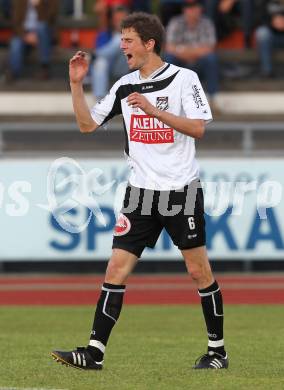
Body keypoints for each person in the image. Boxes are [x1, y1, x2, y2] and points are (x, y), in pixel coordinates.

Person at [51, 11, 228, 371]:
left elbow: (197, 128)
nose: (122, 45)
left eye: (129, 39)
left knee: (198, 272)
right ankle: (94, 352)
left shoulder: (184, 79)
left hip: (180, 191)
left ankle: (217, 352)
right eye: (122, 39)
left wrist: (153, 111)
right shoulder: (124, 84)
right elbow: (87, 125)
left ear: (150, 44)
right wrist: (76, 85)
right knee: (116, 268)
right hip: (141, 195)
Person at [164, 0, 219, 104]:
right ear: (184, 10)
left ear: (200, 9)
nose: (192, 10)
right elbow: (169, 47)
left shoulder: (207, 23)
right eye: (189, 7)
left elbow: (210, 48)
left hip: (199, 63)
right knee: (169, 58)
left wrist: (182, 50)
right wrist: (194, 51)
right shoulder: (175, 22)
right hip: (181, 63)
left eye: (195, 7)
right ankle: (170, 97)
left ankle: (212, 99)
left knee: (211, 59)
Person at [6, 0, 59, 81]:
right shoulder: (19, 2)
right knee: (15, 43)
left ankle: (44, 68)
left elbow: (50, 20)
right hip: (24, 33)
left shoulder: (49, 2)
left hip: (43, 33)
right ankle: (13, 73)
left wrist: (38, 6)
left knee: (41, 28)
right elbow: (15, 22)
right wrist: (25, 36)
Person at [91, 5, 129, 100]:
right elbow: (99, 59)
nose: (119, 23)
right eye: (117, 20)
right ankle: (100, 99)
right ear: (112, 21)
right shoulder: (104, 35)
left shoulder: (135, 36)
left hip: (125, 68)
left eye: (122, 20)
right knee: (100, 63)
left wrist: (95, 55)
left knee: (119, 39)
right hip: (108, 69)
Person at [255, 0, 284, 78]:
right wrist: (272, 23)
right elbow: (258, 20)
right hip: (272, 36)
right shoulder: (265, 3)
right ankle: (267, 71)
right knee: (262, 32)